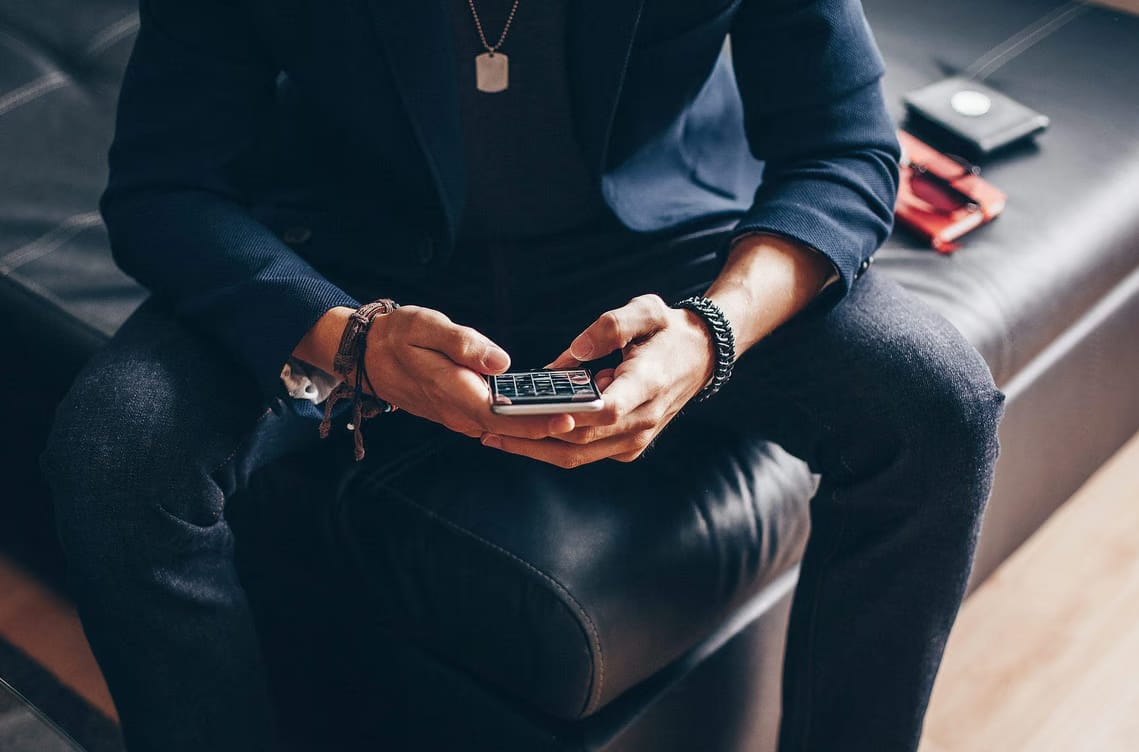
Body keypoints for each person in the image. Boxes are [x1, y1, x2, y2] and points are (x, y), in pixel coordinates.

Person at [42, 0, 1004, 750]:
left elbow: (845, 146)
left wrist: (712, 331)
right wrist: (345, 337)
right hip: (346, 250)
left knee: (936, 404)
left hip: (663, 248)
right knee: (115, 450)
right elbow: (163, 187)